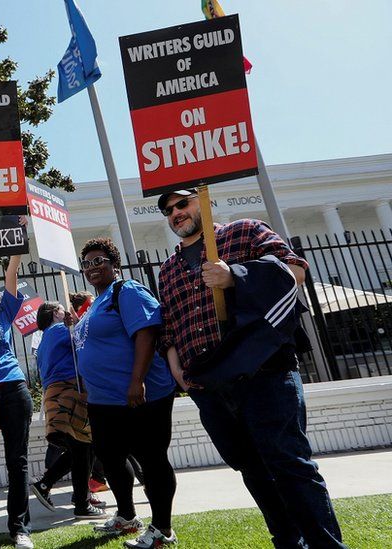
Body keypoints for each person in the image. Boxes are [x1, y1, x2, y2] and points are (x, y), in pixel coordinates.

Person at [157, 189, 346, 548]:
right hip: (209, 384)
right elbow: (169, 324)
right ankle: (288, 543)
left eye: (183, 203)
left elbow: (294, 272)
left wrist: (235, 276)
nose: (175, 213)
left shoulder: (244, 231)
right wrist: (176, 367)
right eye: (168, 210)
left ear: (204, 201)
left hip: (264, 370)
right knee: (253, 472)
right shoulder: (168, 269)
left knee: (288, 464)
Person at [73, 238, 178, 548]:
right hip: (103, 401)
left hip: (140, 396)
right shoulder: (97, 303)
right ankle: (127, 517)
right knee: (110, 456)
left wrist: (137, 380)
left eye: (98, 261)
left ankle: (163, 530)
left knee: (152, 459)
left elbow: (146, 332)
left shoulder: (127, 290)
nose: (92, 267)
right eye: (87, 264)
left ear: (114, 264)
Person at [29, 301, 105, 519]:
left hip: (55, 393)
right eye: (63, 309)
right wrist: (77, 324)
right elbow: (85, 342)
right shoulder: (61, 330)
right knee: (83, 446)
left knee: (81, 447)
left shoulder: (44, 339)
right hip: (70, 390)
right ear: (56, 313)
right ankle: (81, 503)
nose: (67, 312)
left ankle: (47, 484)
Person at [0, 255, 35, 549]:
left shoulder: (4, 311)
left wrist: (18, 239)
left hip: (13, 389)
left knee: (18, 461)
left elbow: (12, 270)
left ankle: (19, 529)